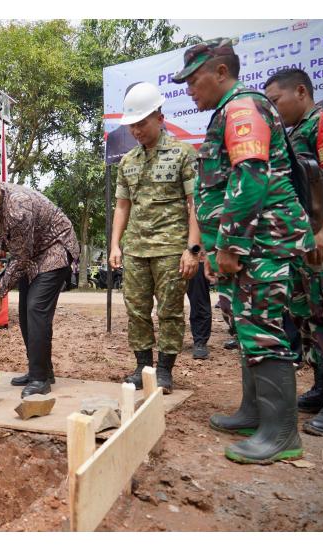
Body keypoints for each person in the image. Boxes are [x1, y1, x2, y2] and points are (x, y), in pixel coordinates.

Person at [174, 39, 315, 463]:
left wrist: (232, 244)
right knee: (248, 326)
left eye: (194, 80)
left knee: (263, 328)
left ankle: (281, 434)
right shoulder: (230, 111)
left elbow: (251, 178)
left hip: (260, 243)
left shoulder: (242, 109)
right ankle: (254, 412)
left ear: (220, 72)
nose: (189, 89)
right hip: (253, 244)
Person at [0, 157, 79, 398]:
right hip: (33, 251)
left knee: (36, 309)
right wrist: (2, 247)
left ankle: (40, 379)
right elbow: (6, 231)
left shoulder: (18, 208)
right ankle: (41, 369)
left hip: (54, 247)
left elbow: (21, 260)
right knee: (25, 313)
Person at [266, 68, 323, 436]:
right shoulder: (293, 134)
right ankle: (321, 385)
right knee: (309, 314)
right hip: (303, 243)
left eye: (276, 100)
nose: (273, 109)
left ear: (301, 91)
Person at [109, 81, 201, 393]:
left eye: (142, 124)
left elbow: (195, 205)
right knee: (135, 308)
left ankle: (164, 371)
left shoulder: (183, 154)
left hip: (171, 248)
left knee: (170, 310)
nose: (136, 131)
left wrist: (192, 248)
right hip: (136, 249)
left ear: (159, 118)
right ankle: (143, 367)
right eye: (132, 126)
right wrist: (114, 244)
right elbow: (122, 206)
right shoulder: (127, 161)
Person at [187, 258, 212, 359]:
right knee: (169, 303)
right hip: (168, 255)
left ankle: (200, 341)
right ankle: (168, 341)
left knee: (199, 300)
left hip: (197, 256)